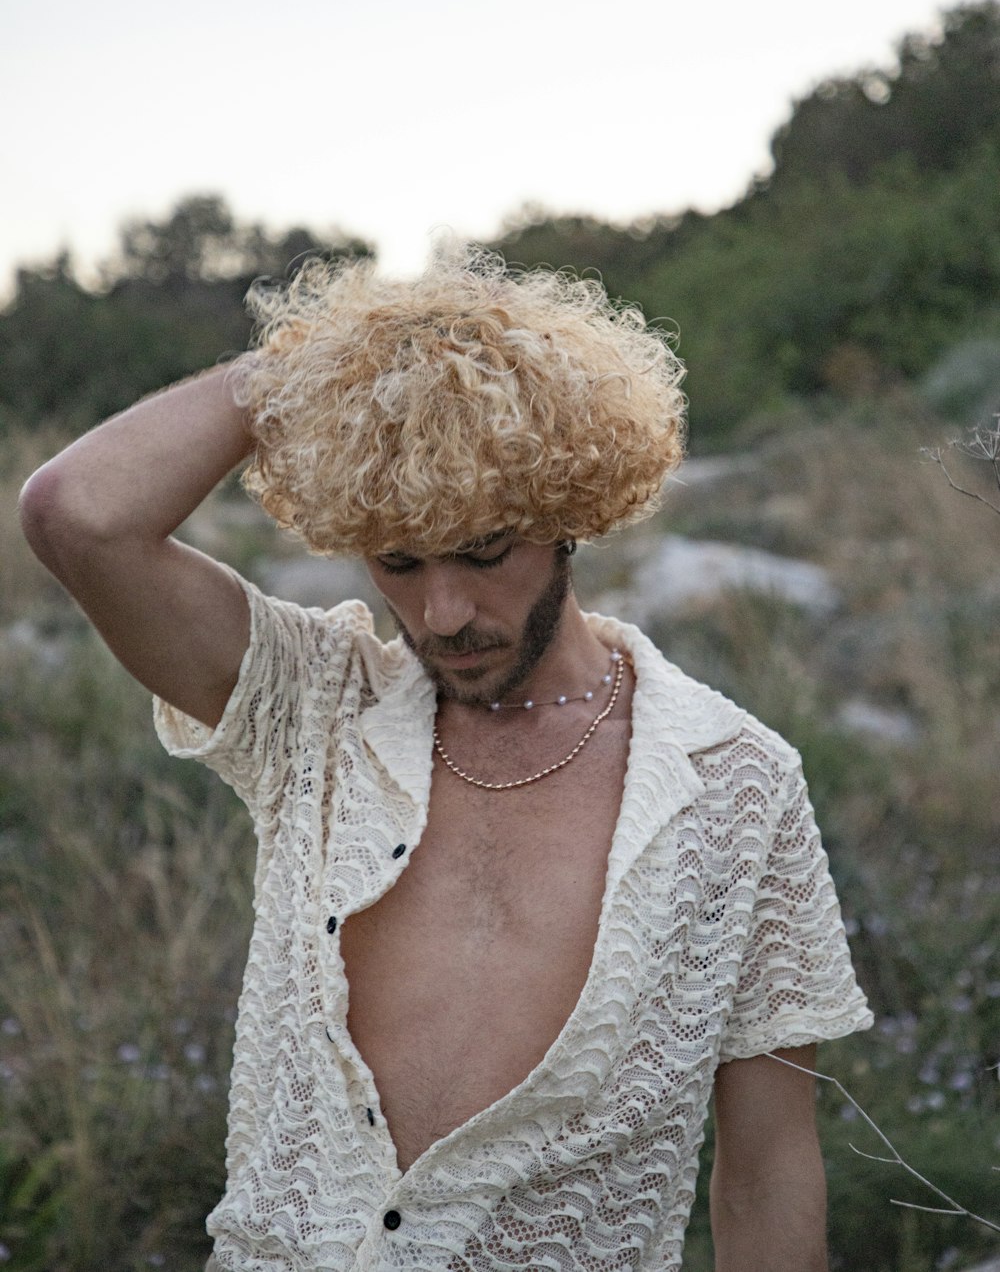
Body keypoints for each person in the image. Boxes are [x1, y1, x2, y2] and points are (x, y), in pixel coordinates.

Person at [19, 245, 873, 1272]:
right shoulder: (313, 706)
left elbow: (767, 1173)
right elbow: (78, 515)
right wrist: (323, 365)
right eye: (398, 562)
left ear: (569, 514)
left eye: (483, 552)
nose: (444, 612)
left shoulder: (737, 784)